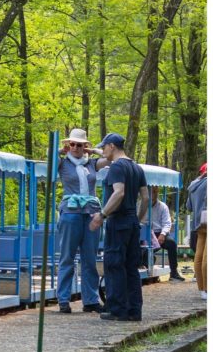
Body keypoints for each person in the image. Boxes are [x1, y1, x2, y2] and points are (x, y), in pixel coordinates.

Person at [87, 132, 147, 321]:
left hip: (118, 221)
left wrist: (102, 214)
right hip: (131, 223)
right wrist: (136, 219)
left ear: (112, 146)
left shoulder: (116, 168)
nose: (103, 150)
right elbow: (145, 198)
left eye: (104, 147)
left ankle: (117, 309)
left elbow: (118, 193)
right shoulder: (136, 167)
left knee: (114, 265)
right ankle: (134, 310)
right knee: (131, 267)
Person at [49, 128, 102, 313]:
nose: (76, 148)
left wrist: (93, 150)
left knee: (90, 259)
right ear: (68, 145)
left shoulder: (93, 164)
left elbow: (112, 159)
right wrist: (59, 151)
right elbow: (49, 162)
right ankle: (63, 299)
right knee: (67, 258)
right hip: (70, 214)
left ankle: (91, 300)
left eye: (79, 145)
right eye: (72, 144)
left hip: (91, 214)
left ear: (84, 146)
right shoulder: (63, 164)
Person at [187, 159, 207, 294]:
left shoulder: (193, 185)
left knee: (198, 256)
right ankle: (208, 288)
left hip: (198, 223)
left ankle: (201, 289)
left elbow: (188, 206)